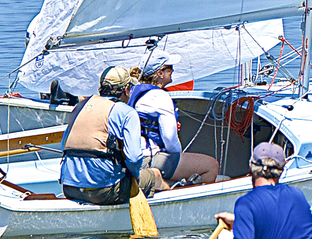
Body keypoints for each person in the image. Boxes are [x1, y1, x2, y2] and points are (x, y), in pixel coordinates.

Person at [60, 66, 164, 205]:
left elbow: (63, 146)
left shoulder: (79, 107)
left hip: (69, 188)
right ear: (126, 89)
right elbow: (134, 158)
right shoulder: (127, 112)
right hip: (103, 191)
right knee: (154, 175)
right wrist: (134, 176)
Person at [129, 50, 218, 186]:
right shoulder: (159, 96)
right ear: (160, 73)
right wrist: (179, 158)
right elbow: (170, 139)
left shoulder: (133, 92)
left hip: (132, 156)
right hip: (147, 158)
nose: (173, 70)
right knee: (211, 166)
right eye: (170, 68)